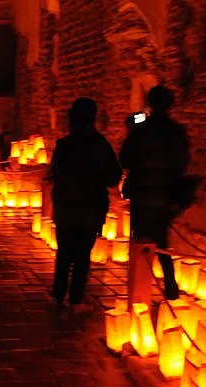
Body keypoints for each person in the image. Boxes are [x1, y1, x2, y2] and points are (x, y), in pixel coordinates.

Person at [50, 97, 123, 314]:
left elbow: (55, 173)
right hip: (89, 210)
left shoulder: (64, 145)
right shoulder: (100, 145)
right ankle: (75, 300)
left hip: (65, 209)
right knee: (82, 255)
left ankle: (57, 295)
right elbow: (114, 175)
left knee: (64, 253)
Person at [120, 85, 190, 301]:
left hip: (142, 193)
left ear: (149, 103)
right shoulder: (176, 132)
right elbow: (182, 163)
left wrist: (139, 121)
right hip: (166, 194)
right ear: (171, 104)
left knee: (140, 241)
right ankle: (170, 287)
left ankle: (138, 292)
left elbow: (125, 159)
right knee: (162, 242)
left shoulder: (142, 130)